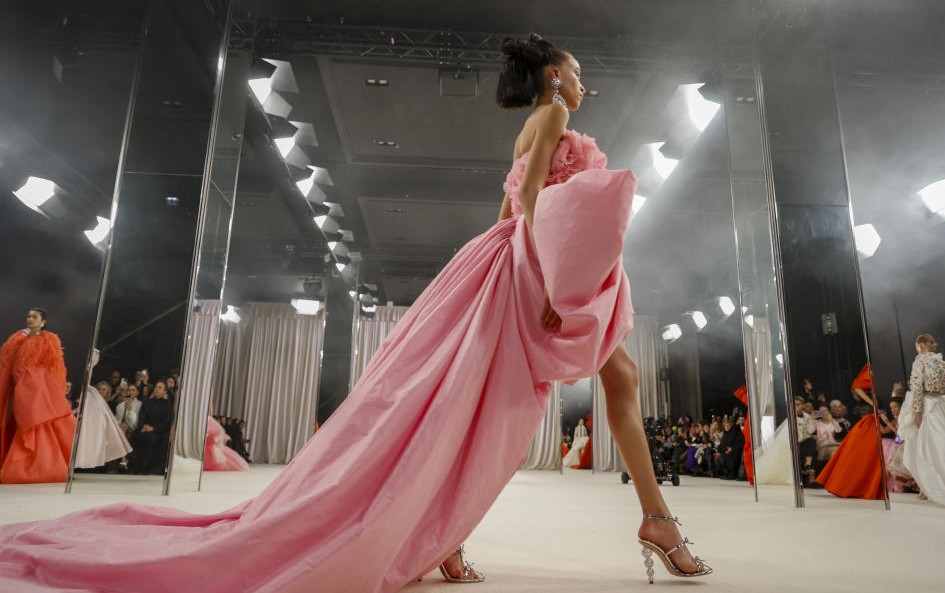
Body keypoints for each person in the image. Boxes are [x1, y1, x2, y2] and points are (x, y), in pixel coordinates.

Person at [0, 33, 710, 590]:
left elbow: (507, 207)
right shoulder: (553, 113)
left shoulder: (533, 124)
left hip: (522, 263)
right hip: (534, 269)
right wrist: (550, 288)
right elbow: (525, 202)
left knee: (506, 400)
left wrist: (522, 266)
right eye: (578, 72)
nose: (586, 83)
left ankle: (489, 530)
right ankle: (648, 520)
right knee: (512, 403)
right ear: (554, 77)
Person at [0, 308, 76, 483]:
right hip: (20, 385)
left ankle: (38, 466)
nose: (30, 319)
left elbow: (55, 367)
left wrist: (55, 391)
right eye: (28, 316)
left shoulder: (49, 339)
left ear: (43, 321)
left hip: (37, 386)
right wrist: (20, 338)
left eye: (35, 317)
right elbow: (7, 359)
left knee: (34, 419)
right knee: (21, 420)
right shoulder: (18, 338)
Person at [897, 334, 945, 508]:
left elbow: (917, 388)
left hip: (929, 409)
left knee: (931, 450)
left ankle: (936, 488)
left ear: (920, 345)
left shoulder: (920, 362)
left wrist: (917, 412)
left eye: (916, 344)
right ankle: (926, 489)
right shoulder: (944, 364)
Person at [815, 364, 885, 499]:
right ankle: (854, 486)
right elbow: (857, 387)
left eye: (839, 406)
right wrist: (871, 402)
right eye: (834, 407)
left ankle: (864, 486)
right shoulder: (871, 370)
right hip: (868, 423)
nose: (837, 409)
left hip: (872, 420)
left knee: (866, 457)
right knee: (864, 456)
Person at [128, 382, 173, 475]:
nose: (156, 389)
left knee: (151, 439)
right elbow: (141, 417)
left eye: (160, 387)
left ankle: (144, 469)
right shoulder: (147, 402)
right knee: (135, 436)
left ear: (165, 391)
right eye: (156, 387)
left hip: (157, 431)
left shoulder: (168, 404)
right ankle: (133, 468)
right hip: (143, 429)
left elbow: (166, 422)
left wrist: (153, 428)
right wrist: (142, 427)